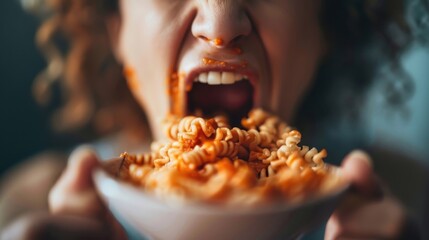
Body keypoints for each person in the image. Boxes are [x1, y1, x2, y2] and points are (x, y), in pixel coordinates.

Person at [0, 0, 427, 239]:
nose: (220, 25)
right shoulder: (25, 207)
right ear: (115, 31)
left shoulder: (414, 198)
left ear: (327, 29)